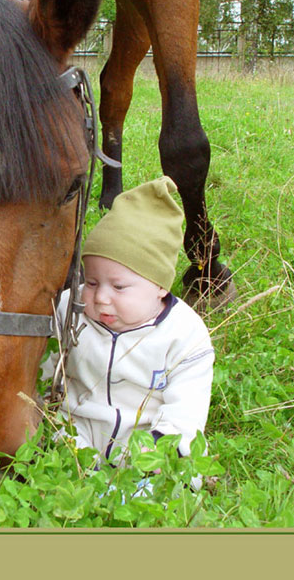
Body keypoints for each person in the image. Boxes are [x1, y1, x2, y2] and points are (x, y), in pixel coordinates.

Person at [43, 176, 214, 489]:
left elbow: (186, 408)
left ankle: (142, 489)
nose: (101, 297)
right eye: (91, 281)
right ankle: (79, 478)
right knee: (52, 460)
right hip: (78, 433)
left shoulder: (185, 336)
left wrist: (156, 450)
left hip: (146, 443)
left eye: (119, 286)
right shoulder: (71, 309)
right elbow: (45, 376)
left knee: (171, 478)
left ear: (160, 286)